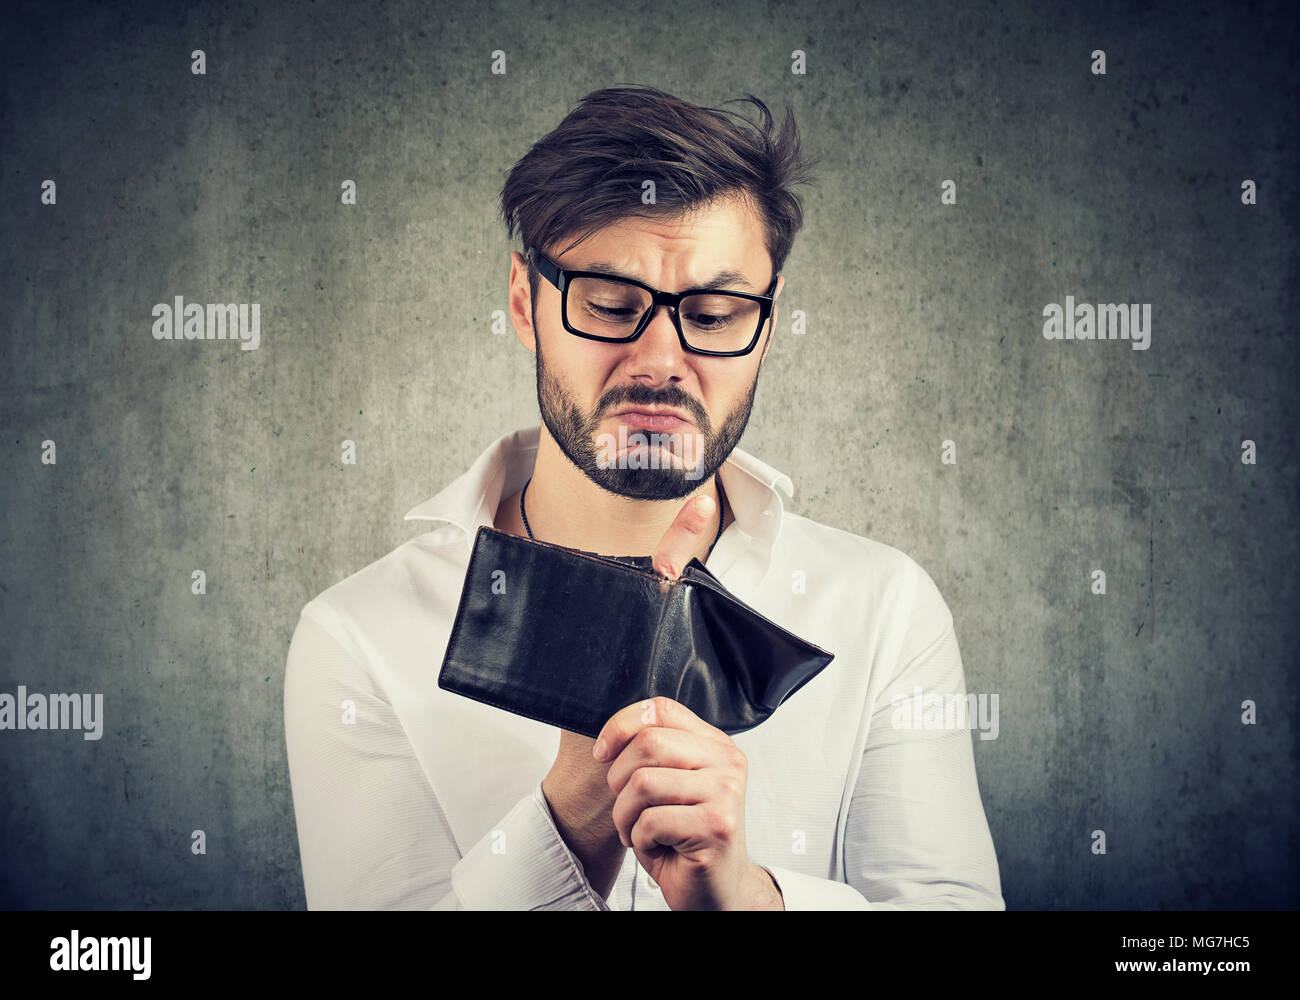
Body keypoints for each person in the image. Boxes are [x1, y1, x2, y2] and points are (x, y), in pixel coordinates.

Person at [284, 85, 1004, 910]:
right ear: (526, 303)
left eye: (716, 311)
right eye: (611, 305)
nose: (661, 360)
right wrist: (572, 818)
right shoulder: (356, 637)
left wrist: (748, 900)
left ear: (764, 329)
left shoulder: (887, 609)